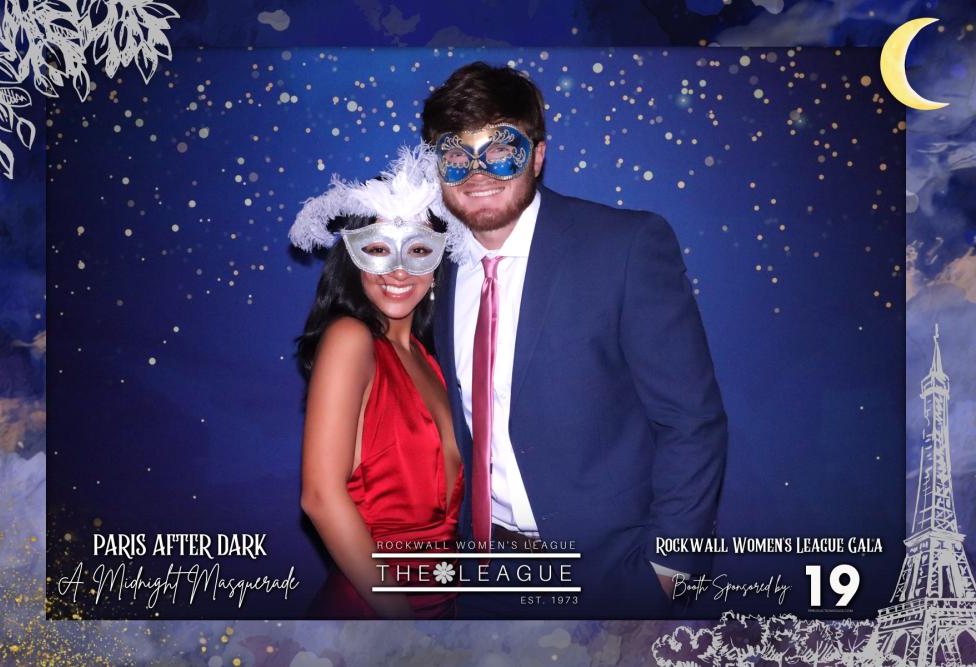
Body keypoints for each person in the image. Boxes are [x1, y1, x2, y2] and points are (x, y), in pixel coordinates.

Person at [422, 62, 729, 618]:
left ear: (538, 155)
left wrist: (667, 572)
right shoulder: (436, 268)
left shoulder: (625, 246)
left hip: (613, 577)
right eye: (457, 154)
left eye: (501, 149)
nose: (478, 171)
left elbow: (691, 420)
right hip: (487, 578)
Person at [289, 145, 467, 619]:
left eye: (418, 250)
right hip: (375, 616)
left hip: (443, 610)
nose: (399, 270)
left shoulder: (431, 361)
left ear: (437, 265)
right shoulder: (350, 339)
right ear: (354, 259)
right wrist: (401, 625)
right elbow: (321, 497)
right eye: (378, 249)